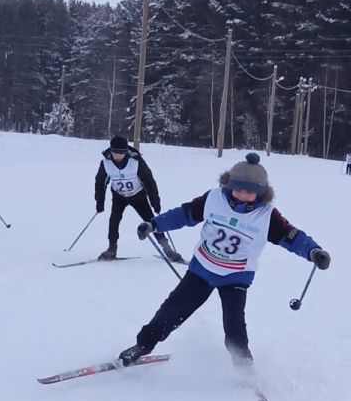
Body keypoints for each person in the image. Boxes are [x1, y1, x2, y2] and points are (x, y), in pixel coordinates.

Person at [117, 152, 330, 367]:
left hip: (235, 277)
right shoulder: (214, 198)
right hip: (201, 270)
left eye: (249, 192)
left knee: (234, 326)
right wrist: (154, 225)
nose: (241, 195)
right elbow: (184, 214)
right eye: (237, 188)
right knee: (171, 311)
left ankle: (243, 365)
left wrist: (313, 251)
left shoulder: (267, 215)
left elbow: (291, 237)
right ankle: (142, 346)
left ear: (260, 193)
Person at [94, 135, 185, 262]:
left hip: (138, 196)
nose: (117, 156)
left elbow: (149, 181)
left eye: (121, 153)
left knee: (151, 221)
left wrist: (155, 201)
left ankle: (167, 250)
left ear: (126, 152)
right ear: (111, 151)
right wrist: (100, 202)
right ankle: (111, 249)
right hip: (119, 196)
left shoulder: (136, 161)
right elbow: (100, 183)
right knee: (114, 220)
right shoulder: (106, 163)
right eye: (115, 152)